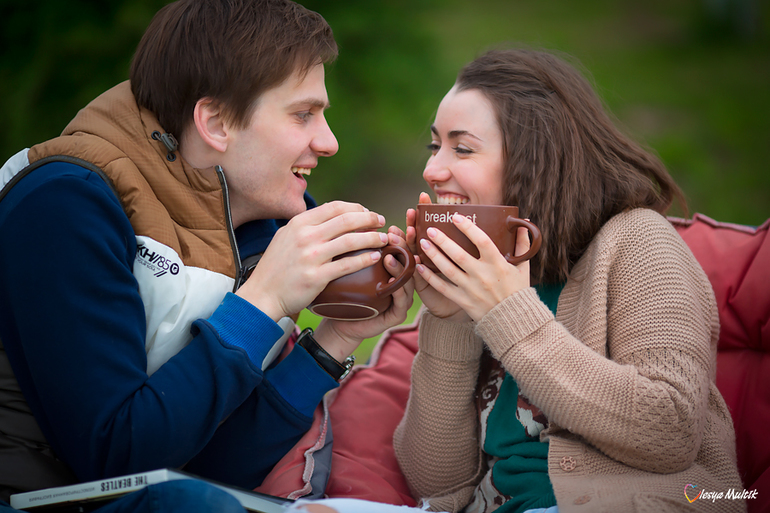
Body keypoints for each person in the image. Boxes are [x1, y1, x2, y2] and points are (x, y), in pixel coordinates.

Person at [0, 0, 412, 511]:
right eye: (303, 114)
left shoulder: (261, 227)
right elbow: (116, 460)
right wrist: (263, 302)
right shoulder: (65, 204)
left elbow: (212, 467)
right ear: (216, 122)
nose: (328, 142)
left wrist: (332, 341)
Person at [389, 48, 745, 513]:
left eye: (463, 148)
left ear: (537, 158)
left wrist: (509, 316)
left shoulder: (638, 243)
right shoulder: (484, 274)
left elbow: (671, 430)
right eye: (435, 146)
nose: (432, 170)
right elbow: (434, 478)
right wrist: (450, 319)